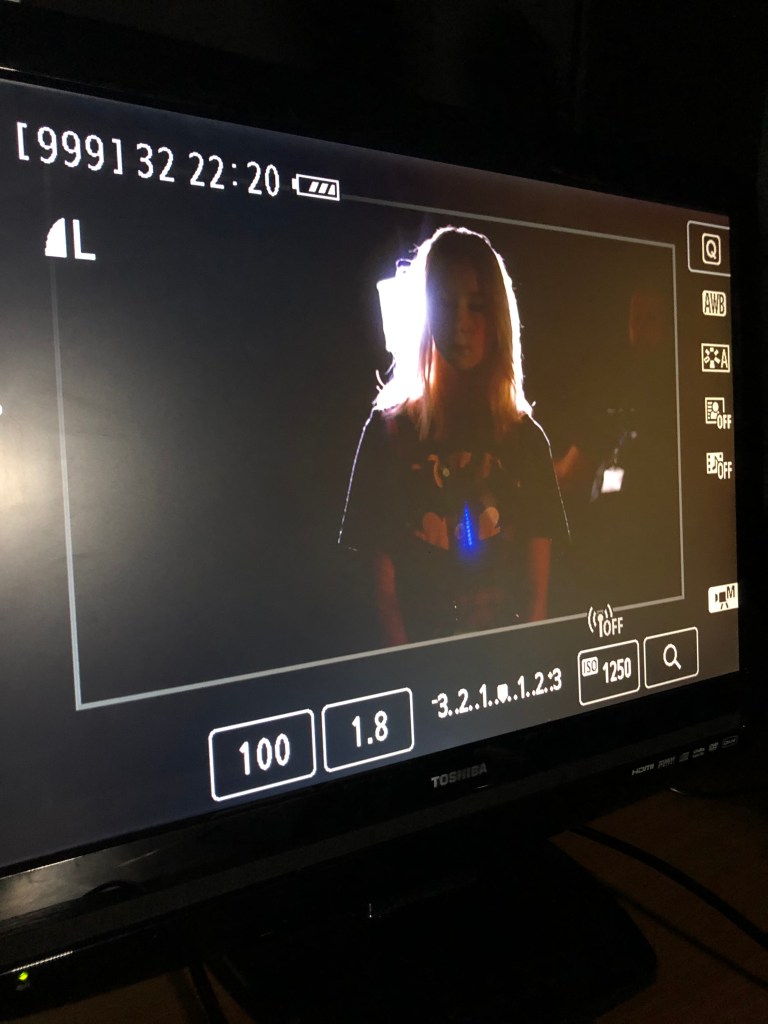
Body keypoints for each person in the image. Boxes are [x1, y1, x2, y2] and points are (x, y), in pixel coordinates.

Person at [339, 225, 566, 647]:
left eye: (476, 305)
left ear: (497, 317)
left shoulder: (526, 440)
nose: (462, 323)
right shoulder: (389, 432)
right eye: (447, 304)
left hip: (510, 673)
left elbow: (540, 603)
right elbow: (379, 594)